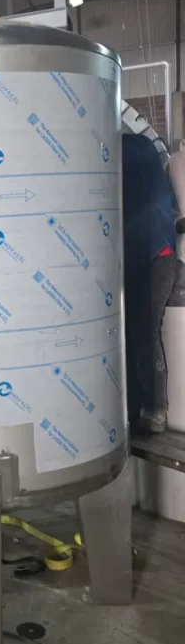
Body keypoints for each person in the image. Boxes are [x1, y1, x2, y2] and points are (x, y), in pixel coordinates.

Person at [122, 133, 178, 433]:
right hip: (144, 258)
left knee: (144, 334)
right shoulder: (140, 149)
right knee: (133, 335)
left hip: (156, 257)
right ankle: (133, 409)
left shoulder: (131, 149)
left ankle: (156, 410)